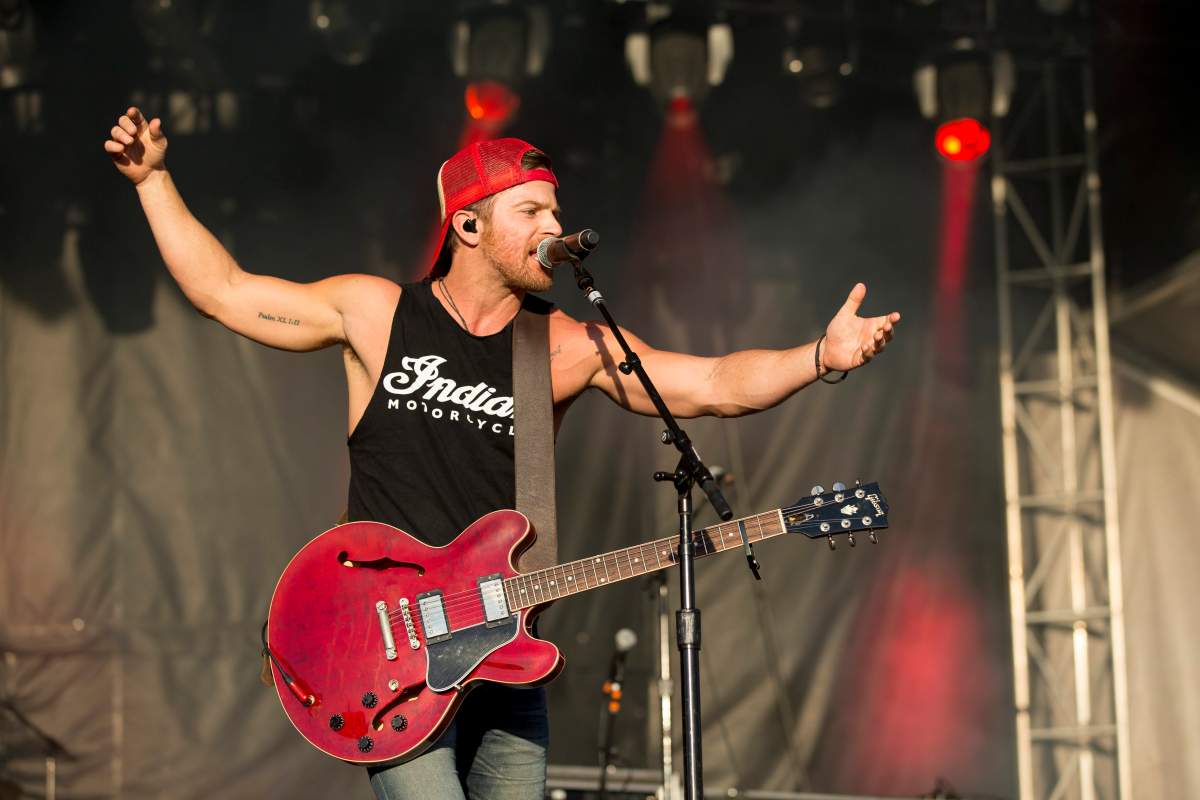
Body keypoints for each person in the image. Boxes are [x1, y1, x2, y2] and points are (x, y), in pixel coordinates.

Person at [104, 106, 900, 800]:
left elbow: (713, 382)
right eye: (531, 212)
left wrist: (817, 357)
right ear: (469, 224)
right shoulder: (378, 315)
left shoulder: (561, 345)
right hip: (390, 655)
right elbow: (228, 291)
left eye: (555, 211)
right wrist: (152, 184)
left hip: (505, 654)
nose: (555, 229)